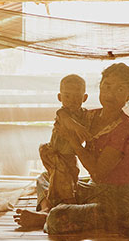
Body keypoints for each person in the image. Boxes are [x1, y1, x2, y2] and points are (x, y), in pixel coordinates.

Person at [14, 63, 129, 234]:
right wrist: (64, 119)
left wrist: (72, 140)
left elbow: (98, 173)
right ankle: (47, 209)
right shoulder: (91, 116)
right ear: (100, 87)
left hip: (114, 200)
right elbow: (63, 113)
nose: (110, 94)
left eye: (119, 90)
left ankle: (49, 215)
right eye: (107, 86)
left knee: (57, 218)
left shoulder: (125, 128)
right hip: (95, 187)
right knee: (45, 177)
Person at [37, 74, 90, 213]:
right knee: (61, 182)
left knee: (66, 180)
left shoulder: (85, 114)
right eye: (67, 96)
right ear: (60, 97)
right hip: (55, 154)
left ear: (84, 98)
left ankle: (58, 208)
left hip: (69, 157)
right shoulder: (62, 113)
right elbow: (68, 122)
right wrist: (78, 127)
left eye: (77, 97)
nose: (72, 100)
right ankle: (49, 209)